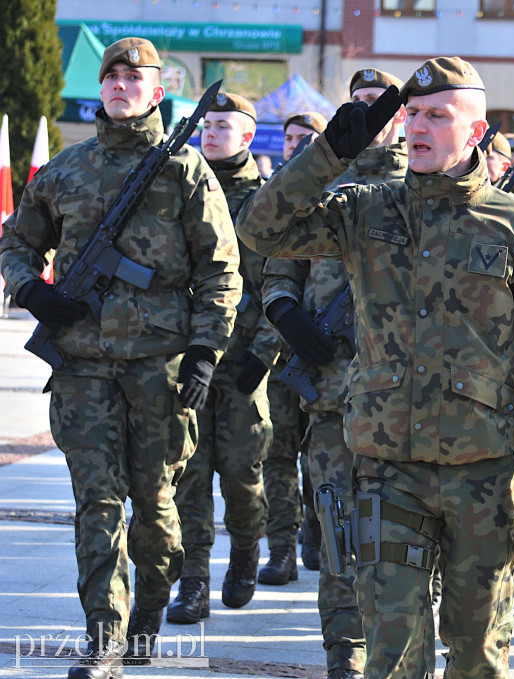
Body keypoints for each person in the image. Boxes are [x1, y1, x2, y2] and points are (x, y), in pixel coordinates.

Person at [237, 56, 514, 679]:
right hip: (386, 470)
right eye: (413, 115)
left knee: (478, 653)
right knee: (392, 655)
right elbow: (260, 230)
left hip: (483, 475)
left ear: (475, 131)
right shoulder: (367, 210)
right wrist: (326, 154)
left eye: (437, 116)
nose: (418, 127)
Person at [0, 37, 242, 677]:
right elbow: (17, 241)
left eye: (134, 78)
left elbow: (221, 270)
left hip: (158, 366)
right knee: (96, 504)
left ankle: (149, 613)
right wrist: (30, 289)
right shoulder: (64, 171)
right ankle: (104, 635)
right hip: (82, 366)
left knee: (155, 509)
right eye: (111, 76)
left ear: (156, 93)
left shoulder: (185, 170)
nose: (119, 85)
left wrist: (203, 352)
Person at [262, 66, 407, 679]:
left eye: (378, 105)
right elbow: (277, 259)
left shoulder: (422, 188)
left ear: (401, 115)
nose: (367, 114)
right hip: (329, 396)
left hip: (407, 404)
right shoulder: (323, 187)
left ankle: (401, 650)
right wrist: (285, 310)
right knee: (339, 529)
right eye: (356, 105)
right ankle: (343, 654)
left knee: (399, 539)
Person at [167, 92, 275, 624]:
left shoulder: (267, 201)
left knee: (239, 472)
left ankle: (247, 550)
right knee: (189, 473)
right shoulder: (180, 188)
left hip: (242, 362)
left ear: (248, 136)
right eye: (206, 125)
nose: (210, 133)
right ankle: (194, 582)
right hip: (189, 357)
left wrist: (266, 352)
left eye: (222, 125)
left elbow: (286, 282)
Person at [259, 111, 328, 580]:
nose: (294, 145)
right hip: (282, 357)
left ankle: (319, 533)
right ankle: (280, 547)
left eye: (306, 139)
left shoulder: (330, 199)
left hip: (331, 360)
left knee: (320, 457)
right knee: (278, 454)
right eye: (288, 139)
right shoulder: (274, 203)